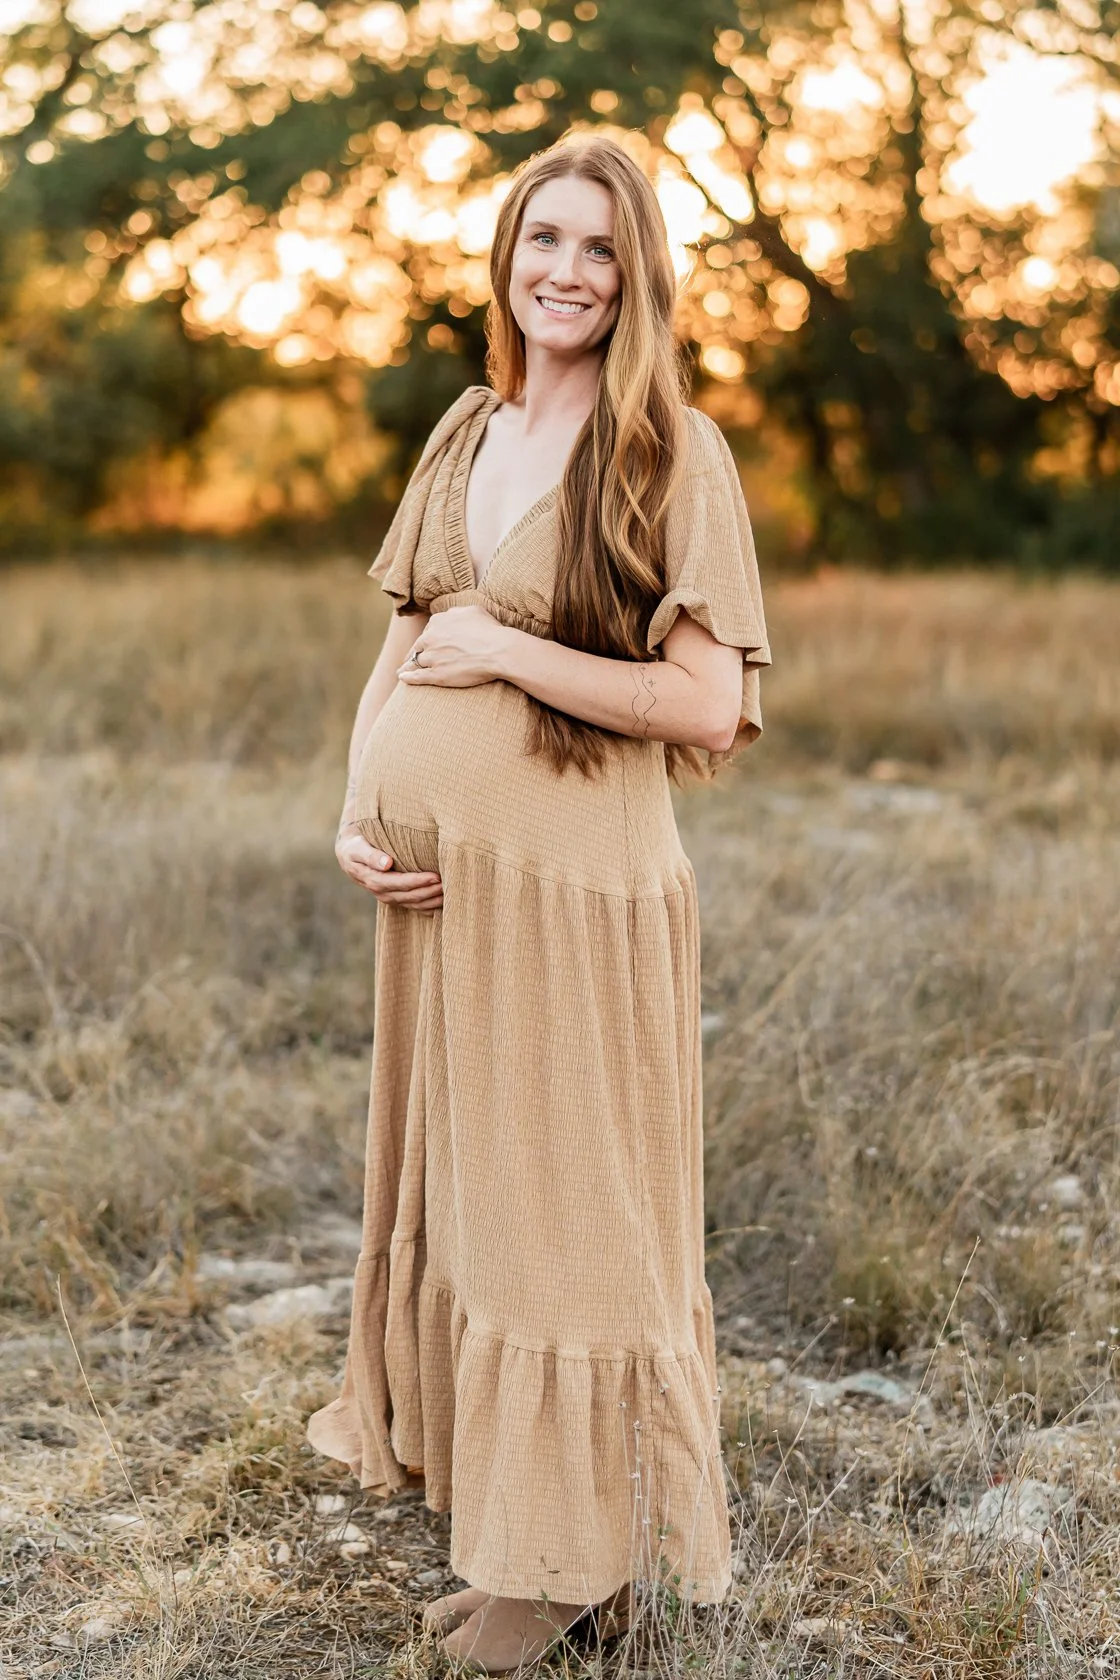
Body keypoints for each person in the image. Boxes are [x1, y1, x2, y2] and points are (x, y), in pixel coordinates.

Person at [306, 131, 770, 1674]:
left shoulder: (669, 453)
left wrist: (508, 656)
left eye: (598, 249)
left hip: (576, 896)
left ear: (636, 278)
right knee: (483, 1210)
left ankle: (575, 1564)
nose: (564, 272)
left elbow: (704, 705)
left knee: (573, 1218)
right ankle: (555, 1548)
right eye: (542, 240)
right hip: (444, 899)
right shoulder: (465, 425)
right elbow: (401, 638)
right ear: (508, 255)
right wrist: (357, 809)